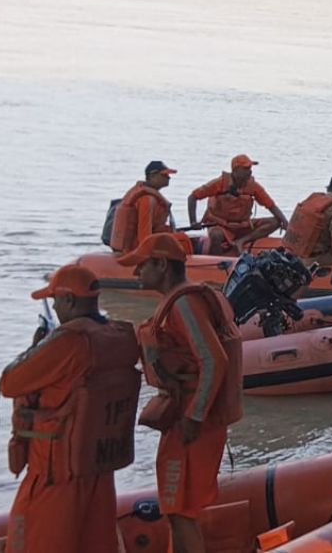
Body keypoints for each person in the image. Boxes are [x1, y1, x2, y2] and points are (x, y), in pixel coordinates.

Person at [0, 264, 139, 553]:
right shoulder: (120, 336)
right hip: (98, 467)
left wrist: (36, 348)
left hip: (55, 474)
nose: (55, 307)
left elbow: (10, 383)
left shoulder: (70, 342)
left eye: (55, 301)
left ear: (69, 301)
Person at [119, 233, 243, 553]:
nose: (136, 274)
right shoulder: (180, 301)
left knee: (180, 510)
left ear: (161, 264)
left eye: (142, 266)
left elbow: (214, 360)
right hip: (184, 413)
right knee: (177, 507)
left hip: (193, 419)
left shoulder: (185, 304)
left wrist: (194, 416)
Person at [188, 155, 288, 255]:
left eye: (250, 168)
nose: (250, 171)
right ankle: (217, 264)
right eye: (246, 169)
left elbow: (271, 205)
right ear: (235, 170)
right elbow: (193, 197)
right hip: (221, 226)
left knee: (275, 221)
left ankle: (242, 241)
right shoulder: (219, 183)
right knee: (216, 235)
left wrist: (284, 221)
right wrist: (193, 222)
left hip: (243, 225)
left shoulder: (253, 187)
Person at [110, 160, 177, 253]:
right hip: (135, 249)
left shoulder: (143, 192)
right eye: (165, 175)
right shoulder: (147, 200)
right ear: (153, 176)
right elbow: (144, 237)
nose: (169, 178)